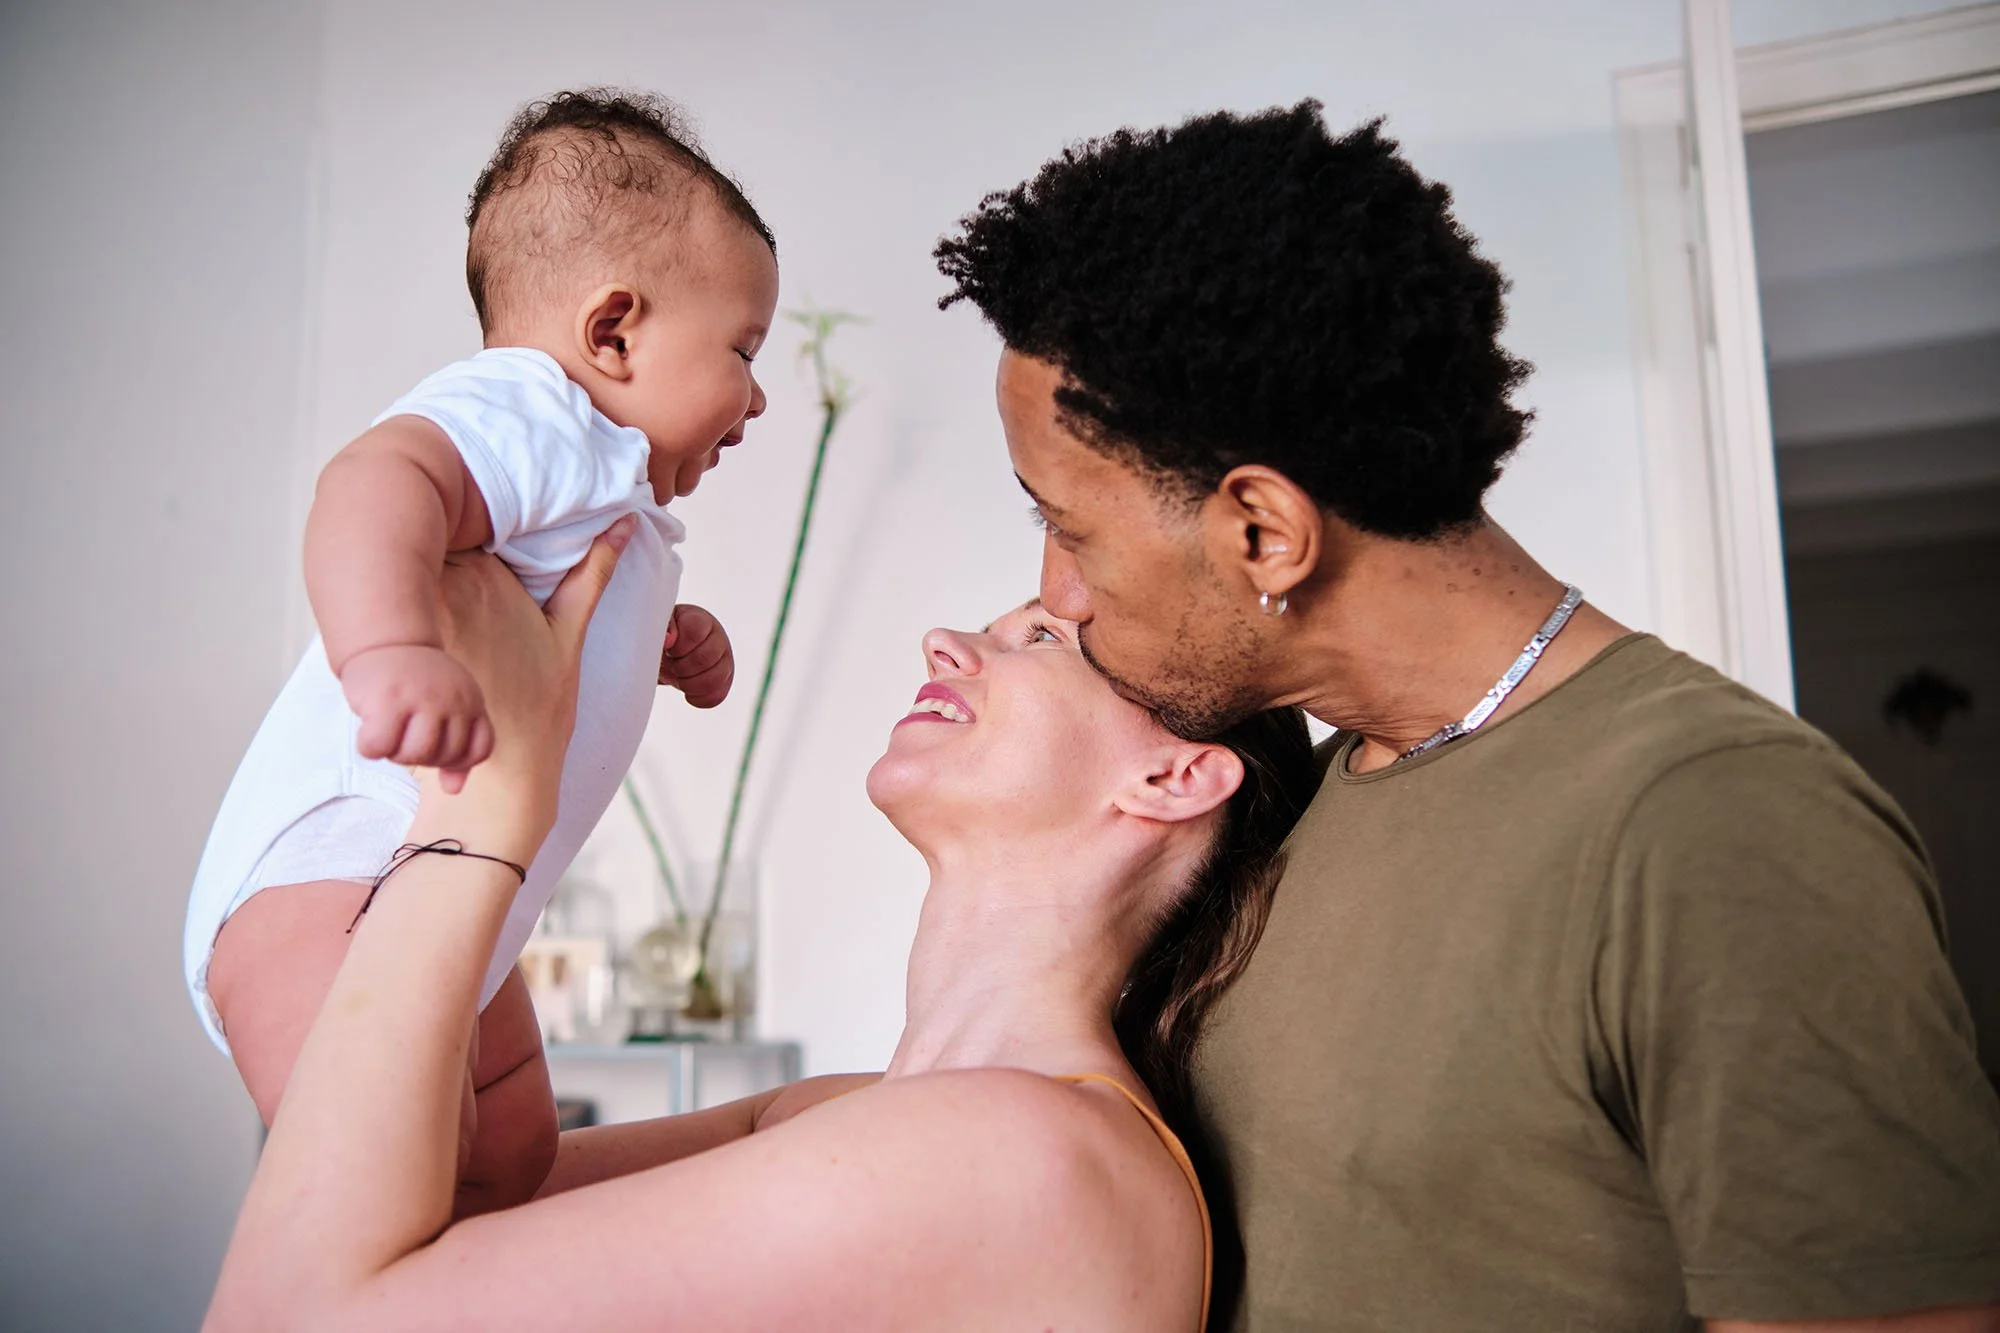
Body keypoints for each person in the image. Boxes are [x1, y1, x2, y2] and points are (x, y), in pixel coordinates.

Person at [933, 100, 2000, 1330]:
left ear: (1262, 533)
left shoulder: (1714, 823)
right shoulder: (1315, 790)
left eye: (1065, 527)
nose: (1055, 593)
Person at [203, 521, 1319, 1330]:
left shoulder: (1033, 1158)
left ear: (1172, 777)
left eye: (1041, 642)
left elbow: (287, 1308)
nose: (943, 642)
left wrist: (484, 807)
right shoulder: (851, 1116)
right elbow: (428, 1208)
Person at [184, 88, 777, 1216]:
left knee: (510, 1156)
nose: (756, 396)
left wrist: (659, 639)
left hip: (459, 898)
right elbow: (374, 483)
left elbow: (554, 627)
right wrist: (391, 649)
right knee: (367, 1185)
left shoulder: (605, 491)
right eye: (742, 350)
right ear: (613, 332)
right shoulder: (534, 409)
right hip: (330, 877)